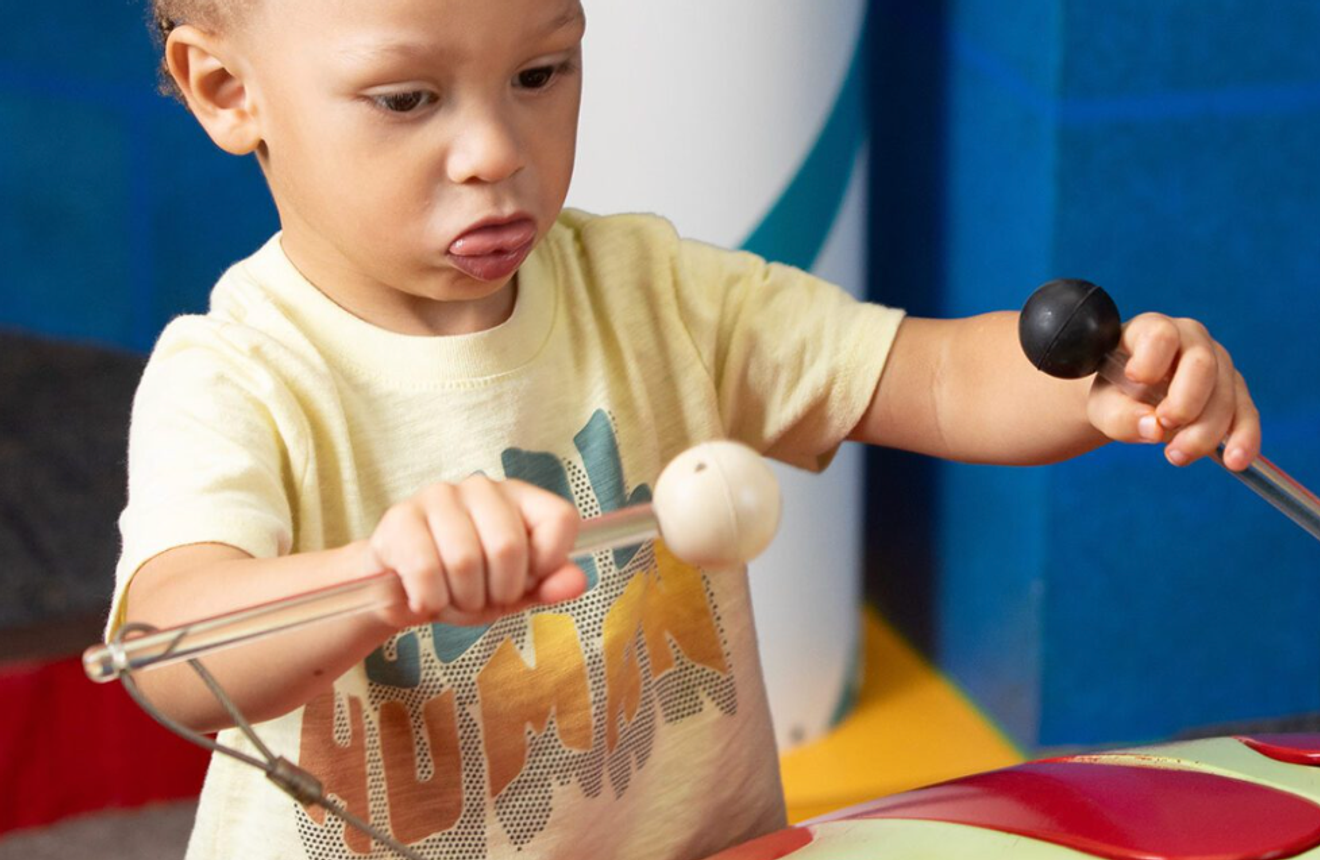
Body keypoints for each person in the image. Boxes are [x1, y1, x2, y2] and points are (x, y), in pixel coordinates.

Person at [111, 0, 1261, 858]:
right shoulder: (236, 374)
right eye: (409, 99)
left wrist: (1103, 382)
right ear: (226, 90)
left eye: (541, 71)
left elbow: (934, 379)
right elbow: (170, 646)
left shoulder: (653, 289)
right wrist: (377, 577)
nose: (496, 151)